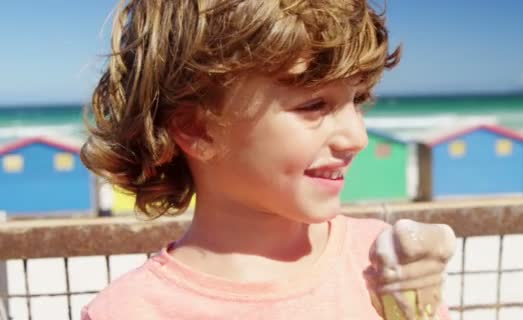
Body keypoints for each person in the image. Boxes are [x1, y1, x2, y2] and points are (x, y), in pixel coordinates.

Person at [80, 0, 455, 319]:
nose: (357, 138)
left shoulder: (380, 256)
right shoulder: (130, 310)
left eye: (357, 100)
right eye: (314, 105)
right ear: (197, 128)